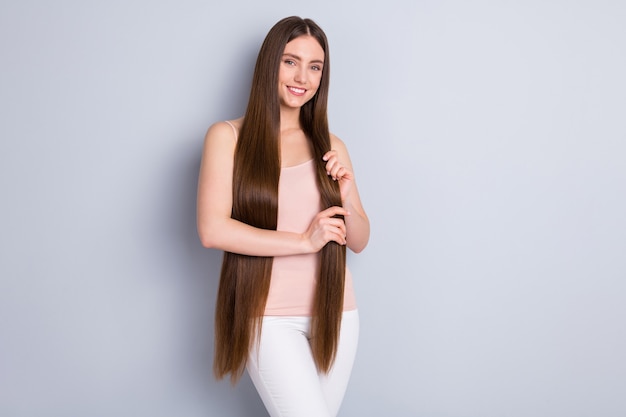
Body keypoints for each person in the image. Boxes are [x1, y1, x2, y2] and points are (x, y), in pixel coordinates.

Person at [196, 16, 370, 417]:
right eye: (290, 61)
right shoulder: (227, 138)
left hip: (337, 314)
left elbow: (358, 239)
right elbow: (212, 229)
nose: (302, 77)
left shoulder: (332, 144)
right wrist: (302, 242)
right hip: (268, 317)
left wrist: (344, 190)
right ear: (269, 64)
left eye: (314, 67)